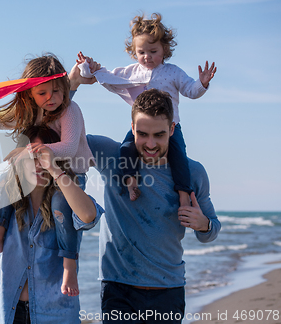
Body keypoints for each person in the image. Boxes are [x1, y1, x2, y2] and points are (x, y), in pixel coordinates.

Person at [70, 67, 221, 323]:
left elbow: (211, 231)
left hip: (168, 290)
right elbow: (59, 130)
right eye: (142, 134)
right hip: (118, 287)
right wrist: (72, 83)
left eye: (159, 135)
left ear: (172, 129)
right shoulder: (112, 156)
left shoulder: (193, 173)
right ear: (132, 128)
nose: (150, 144)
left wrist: (203, 224)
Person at [0, 112, 103, 323]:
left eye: (44, 157)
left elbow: (88, 215)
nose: (39, 164)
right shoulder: (4, 196)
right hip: (8, 313)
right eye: (32, 157)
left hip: (55, 315)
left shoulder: (66, 199)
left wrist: (54, 169)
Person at [0, 53, 96, 296]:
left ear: (65, 89)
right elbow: (0, 121)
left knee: (61, 204)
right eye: (42, 93)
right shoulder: (31, 111)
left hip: (71, 172)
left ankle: (70, 265)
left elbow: (68, 147)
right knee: (9, 180)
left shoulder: (70, 109)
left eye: (57, 91)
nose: (51, 98)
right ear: (30, 93)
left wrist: (28, 151)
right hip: (43, 169)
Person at [77, 13, 217, 209]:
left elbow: (190, 91)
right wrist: (89, 67)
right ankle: (131, 182)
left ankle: (184, 195)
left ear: (165, 50)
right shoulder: (133, 71)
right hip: (140, 127)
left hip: (170, 128)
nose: (147, 57)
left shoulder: (173, 72)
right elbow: (106, 76)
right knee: (126, 149)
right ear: (134, 52)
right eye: (141, 52)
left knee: (179, 158)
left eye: (153, 51)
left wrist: (201, 83)